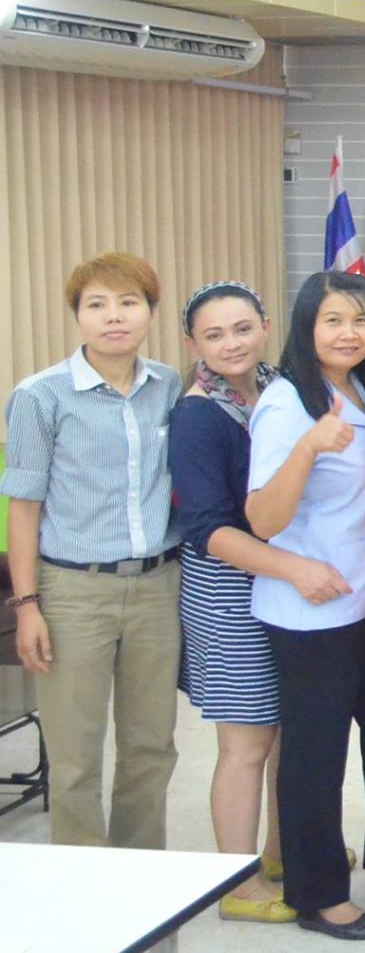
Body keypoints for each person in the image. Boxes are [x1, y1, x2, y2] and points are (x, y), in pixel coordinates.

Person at [3, 253, 182, 853]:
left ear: (150, 313)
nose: (114, 317)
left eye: (128, 303)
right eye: (97, 304)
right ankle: (84, 886)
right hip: (73, 591)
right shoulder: (40, 396)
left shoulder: (168, 386)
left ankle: (140, 874)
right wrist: (26, 605)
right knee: (76, 755)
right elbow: (24, 508)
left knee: (151, 747)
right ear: (77, 315)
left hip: (157, 587)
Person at [246, 271, 365, 941]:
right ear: (306, 328)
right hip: (311, 612)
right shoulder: (287, 403)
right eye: (332, 320)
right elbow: (262, 520)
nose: (349, 333)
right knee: (316, 756)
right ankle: (318, 894)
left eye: (360, 319)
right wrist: (309, 446)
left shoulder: (364, 389)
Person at [171, 281, 299, 923]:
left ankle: (278, 854)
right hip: (227, 588)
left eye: (242, 329)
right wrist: (295, 568)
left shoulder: (279, 390)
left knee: (284, 733)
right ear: (192, 343)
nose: (231, 344)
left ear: (266, 326)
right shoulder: (197, 415)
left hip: (280, 580)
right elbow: (207, 528)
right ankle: (236, 883)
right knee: (245, 742)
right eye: (214, 335)